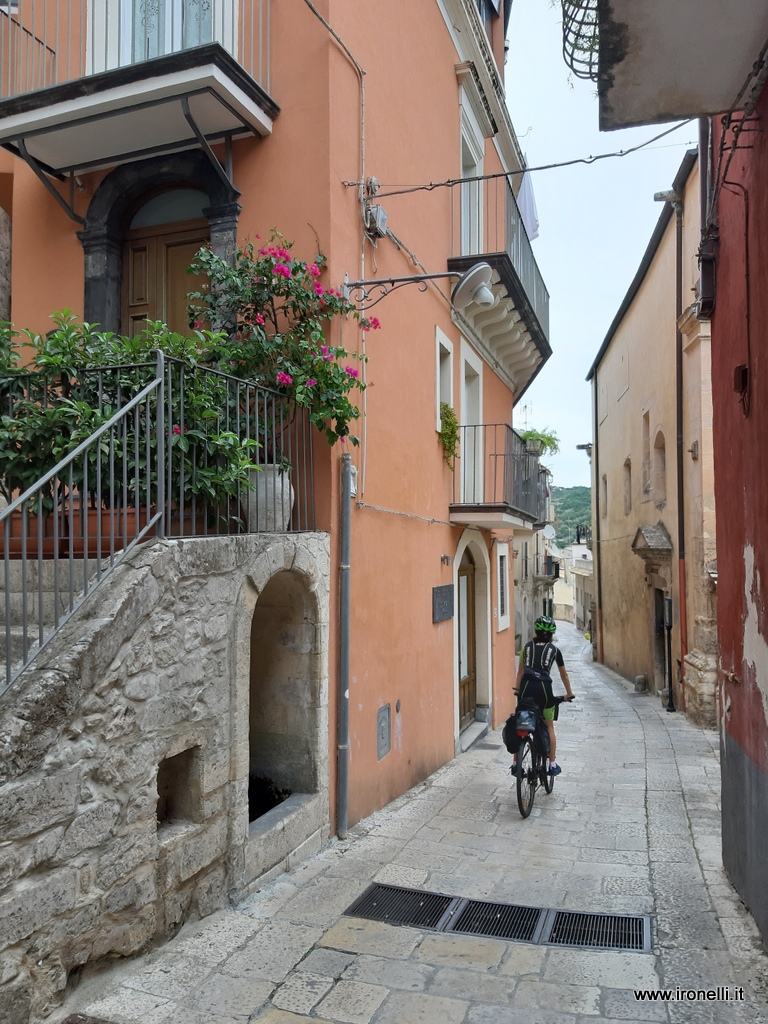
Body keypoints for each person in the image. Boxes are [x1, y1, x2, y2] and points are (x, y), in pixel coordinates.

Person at [513, 616, 574, 775]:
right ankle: (552, 765)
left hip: (526, 689)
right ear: (552, 634)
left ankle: (515, 763)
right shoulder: (554, 650)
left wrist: (517, 690)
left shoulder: (526, 648)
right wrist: (569, 693)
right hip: (544, 690)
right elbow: (564, 675)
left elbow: (520, 672)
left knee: (521, 724)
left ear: (536, 630)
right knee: (549, 727)